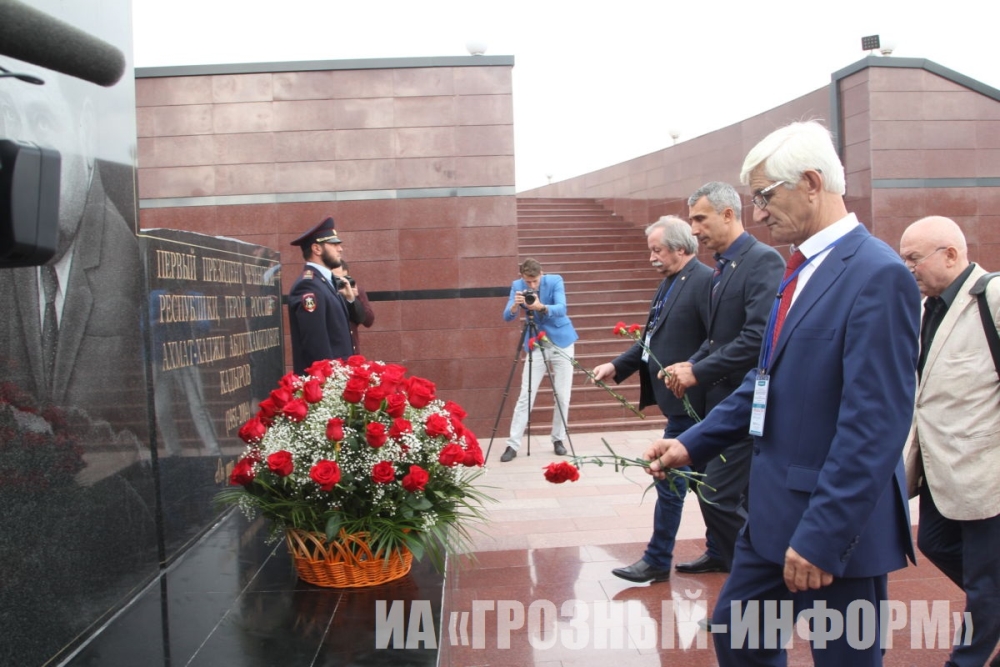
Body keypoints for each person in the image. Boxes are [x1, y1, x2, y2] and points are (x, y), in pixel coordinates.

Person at [646, 121, 920, 666]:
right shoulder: (799, 270)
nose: (758, 212)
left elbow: (875, 426)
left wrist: (822, 536)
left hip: (833, 525)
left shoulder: (877, 274)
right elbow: (765, 381)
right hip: (773, 514)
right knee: (738, 637)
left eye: (765, 196)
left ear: (812, 183)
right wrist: (692, 443)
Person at [0, 61, 146, 438]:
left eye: (42, 122)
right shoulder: (11, 258)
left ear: (84, 130)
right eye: (9, 117)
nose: (22, 148)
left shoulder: (126, 263)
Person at [662, 181, 785, 575]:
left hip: (747, 403)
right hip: (720, 404)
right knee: (721, 491)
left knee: (716, 493)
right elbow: (717, 338)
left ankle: (759, 575)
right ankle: (731, 563)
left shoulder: (763, 260)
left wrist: (698, 371)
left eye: (700, 219)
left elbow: (757, 337)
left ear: (729, 214)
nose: (694, 229)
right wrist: (689, 364)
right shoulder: (722, 267)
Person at [900, 215, 1000, 667]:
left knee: (984, 583)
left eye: (914, 258)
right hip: (942, 470)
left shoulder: (992, 297)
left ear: (952, 255)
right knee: (934, 543)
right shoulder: (931, 308)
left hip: (987, 472)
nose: (909, 268)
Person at [591, 216, 711, 582]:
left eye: (657, 250)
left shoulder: (705, 281)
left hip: (696, 405)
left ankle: (658, 560)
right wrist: (616, 365)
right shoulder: (669, 284)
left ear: (681, 247)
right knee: (707, 485)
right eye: (651, 250)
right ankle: (722, 551)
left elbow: (717, 341)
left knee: (671, 479)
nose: (652, 257)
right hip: (678, 405)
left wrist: (691, 367)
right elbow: (649, 341)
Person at [499, 258, 578, 462]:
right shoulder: (517, 286)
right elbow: (507, 316)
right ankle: (513, 444)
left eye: (535, 281)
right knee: (526, 394)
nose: (532, 285)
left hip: (561, 341)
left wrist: (540, 306)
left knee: (562, 395)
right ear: (522, 277)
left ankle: (558, 439)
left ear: (541, 274)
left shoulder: (555, 280)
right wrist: (515, 306)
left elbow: (561, 308)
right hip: (536, 342)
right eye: (528, 281)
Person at [287, 217, 361, 374]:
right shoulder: (308, 286)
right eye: (334, 244)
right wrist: (329, 381)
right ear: (317, 249)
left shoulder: (325, 281)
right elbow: (316, 343)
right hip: (325, 381)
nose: (340, 249)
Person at [332, 260, 374, 354]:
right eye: (337, 279)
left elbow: (368, 321)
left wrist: (355, 298)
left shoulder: (355, 290)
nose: (341, 283)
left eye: (344, 279)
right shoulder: (326, 292)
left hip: (353, 351)